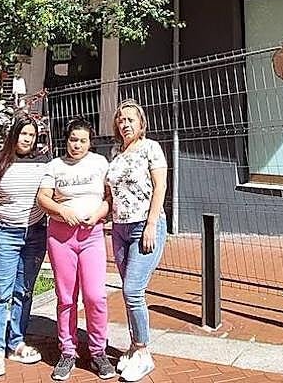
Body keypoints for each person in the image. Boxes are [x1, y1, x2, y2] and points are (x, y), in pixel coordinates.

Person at [37, 120, 116, 381]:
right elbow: (42, 198)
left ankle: (98, 351)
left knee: (95, 296)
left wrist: (98, 214)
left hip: (91, 236)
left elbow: (109, 198)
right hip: (61, 238)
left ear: (90, 142)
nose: (77, 145)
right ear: (67, 140)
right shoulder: (54, 165)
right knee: (66, 297)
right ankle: (68, 352)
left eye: (82, 140)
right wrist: (62, 210)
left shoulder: (100, 163)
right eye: (73, 139)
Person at [0, 113, 50, 377]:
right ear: (13, 134)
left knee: (25, 291)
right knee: (0, 292)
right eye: (23, 133)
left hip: (35, 234)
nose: (27, 139)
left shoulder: (43, 162)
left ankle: (16, 343)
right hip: (3, 232)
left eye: (32, 135)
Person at [104, 100, 168, 382]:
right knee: (129, 292)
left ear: (141, 123)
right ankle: (133, 346)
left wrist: (151, 224)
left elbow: (160, 186)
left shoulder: (151, 148)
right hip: (120, 228)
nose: (125, 124)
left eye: (130, 119)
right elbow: (110, 192)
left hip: (144, 225)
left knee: (133, 290)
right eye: (121, 119)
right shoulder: (116, 153)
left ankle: (143, 352)